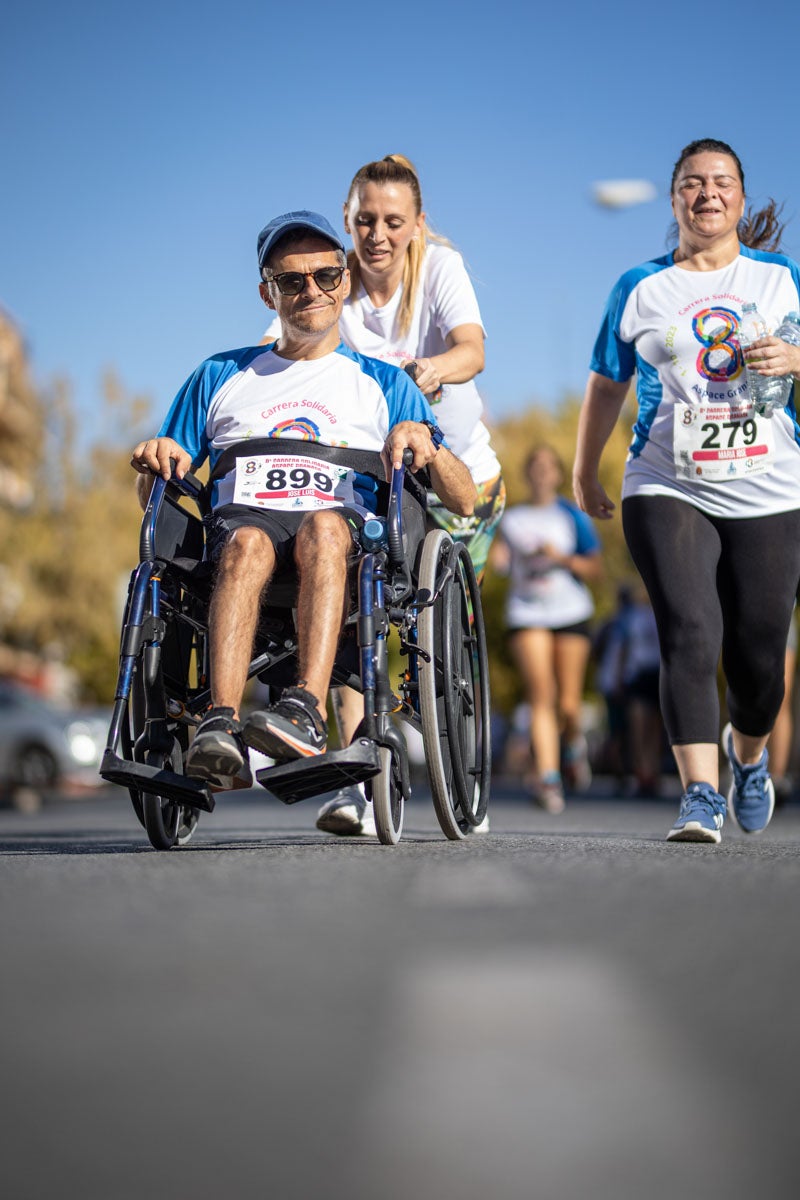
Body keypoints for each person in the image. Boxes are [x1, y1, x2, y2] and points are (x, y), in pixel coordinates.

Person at [131, 210, 476, 788]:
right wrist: (154, 460)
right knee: (245, 543)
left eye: (326, 275)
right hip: (242, 529)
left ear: (345, 281)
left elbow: (462, 501)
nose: (311, 290)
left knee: (322, 528)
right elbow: (157, 494)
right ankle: (219, 722)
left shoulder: (386, 383)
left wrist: (431, 449)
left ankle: (306, 712)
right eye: (292, 281)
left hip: (343, 538)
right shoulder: (220, 375)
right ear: (268, 293)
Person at [264, 155, 505, 836]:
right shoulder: (327, 278)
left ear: (416, 224)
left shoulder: (437, 269)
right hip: (367, 476)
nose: (376, 234)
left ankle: (454, 758)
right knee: (343, 603)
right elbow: (285, 343)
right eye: (364, 220)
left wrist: (424, 372)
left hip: (456, 474)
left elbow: (472, 349)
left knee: (443, 634)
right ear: (346, 219)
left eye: (392, 222)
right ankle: (353, 773)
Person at [573, 137, 800, 844]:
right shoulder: (640, 286)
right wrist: (586, 470)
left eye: (722, 182)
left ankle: (748, 754)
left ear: (739, 195)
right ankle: (700, 793)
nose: (708, 193)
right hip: (667, 481)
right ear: (675, 199)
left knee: (759, 654)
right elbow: (607, 384)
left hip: (771, 486)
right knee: (689, 631)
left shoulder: (781, 277)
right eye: (693, 183)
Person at [490, 444, 602, 813]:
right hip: (527, 612)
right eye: (534, 466)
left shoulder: (571, 514)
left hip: (570, 610)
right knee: (541, 696)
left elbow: (594, 568)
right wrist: (501, 557)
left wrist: (561, 558)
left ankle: (572, 745)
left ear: (556, 473)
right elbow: (499, 561)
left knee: (569, 704)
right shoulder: (512, 517)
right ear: (527, 473)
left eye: (547, 466)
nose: (541, 472)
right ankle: (549, 779)